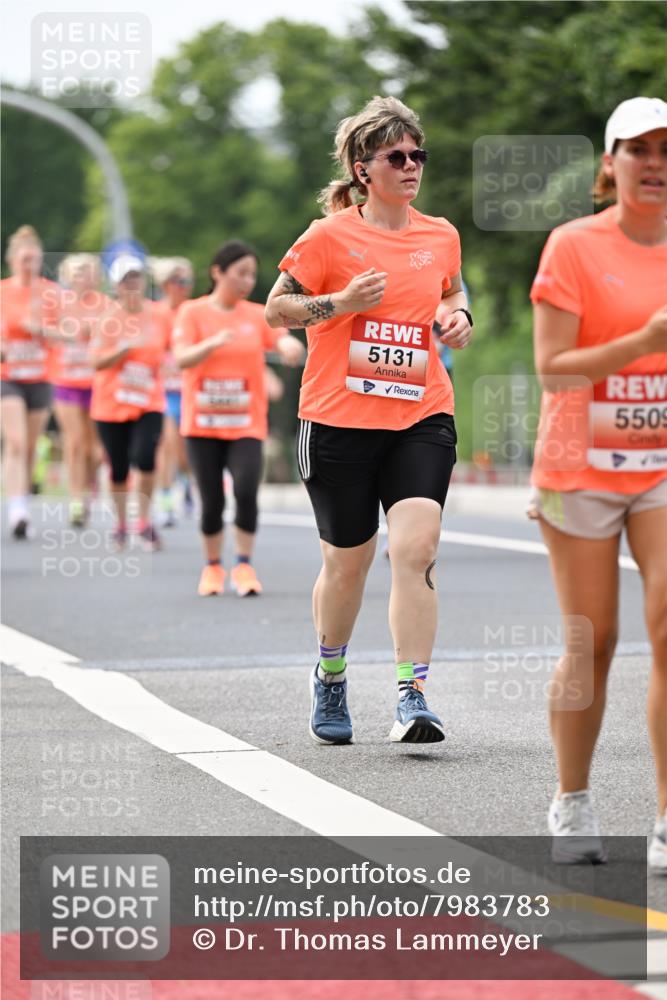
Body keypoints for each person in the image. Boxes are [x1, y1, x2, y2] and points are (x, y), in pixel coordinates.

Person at [265, 95, 472, 745]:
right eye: (397, 157)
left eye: (418, 156)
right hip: (337, 420)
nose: (411, 166)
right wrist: (339, 302)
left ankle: (412, 694)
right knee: (348, 563)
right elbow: (276, 310)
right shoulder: (328, 237)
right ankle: (330, 674)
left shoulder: (439, 234)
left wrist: (457, 317)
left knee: (417, 548)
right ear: (363, 168)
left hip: (420, 412)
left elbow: (452, 288)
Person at [528, 97, 667, 869]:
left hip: (661, 464)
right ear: (607, 166)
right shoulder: (573, 246)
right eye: (636, 149)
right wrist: (641, 342)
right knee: (593, 640)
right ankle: (571, 798)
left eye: (665, 150)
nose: (653, 164)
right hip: (577, 463)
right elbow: (551, 368)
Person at [173, 240, 303, 597]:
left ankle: (244, 565)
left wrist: (288, 346)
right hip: (203, 425)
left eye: (251, 275)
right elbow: (181, 358)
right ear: (217, 272)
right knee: (212, 499)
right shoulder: (192, 313)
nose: (247, 281)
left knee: (246, 491)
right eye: (240, 273)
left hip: (246, 423)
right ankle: (213, 568)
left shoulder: (255, 314)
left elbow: (279, 338)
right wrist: (212, 343)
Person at [90, 254, 171, 551]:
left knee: (146, 456)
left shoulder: (159, 315)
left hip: (148, 401)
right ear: (117, 286)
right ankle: (121, 523)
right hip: (111, 404)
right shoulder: (107, 318)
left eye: (137, 278)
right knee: (119, 467)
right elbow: (95, 361)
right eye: (127, 280)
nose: (133, 285)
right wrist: (123, 348)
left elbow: (176, 346)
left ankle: (144, 522)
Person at [0, 225, 59, 538]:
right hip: (7, 376)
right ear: (12, 260)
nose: (29, 264)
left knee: (31, 446)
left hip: (40, 375)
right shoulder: (2, 292)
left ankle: (23, 501)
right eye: (24, 259)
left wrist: (41, 330)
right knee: (16, 441)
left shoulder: (50, 293)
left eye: (34, 259)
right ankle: (17, 510)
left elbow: (69, 334)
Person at [52, 253, 110, 526]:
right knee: (74, 442)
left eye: (88, 272)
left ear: (96, 277)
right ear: (67, 276)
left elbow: (115, 334)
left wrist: (95, 330)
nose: (83, 278)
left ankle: (90, 482)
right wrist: (69, 332)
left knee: (95, 449)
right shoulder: (57, 304)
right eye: (77, 273)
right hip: (65, 381)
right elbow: (42, 331)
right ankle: (76, 499)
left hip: (96, 382)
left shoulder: (106, 305)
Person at [151, 257, 195, 526]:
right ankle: (166, 500)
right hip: (162, 390)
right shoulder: (154, 313)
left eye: (189, 281)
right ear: (166, 284)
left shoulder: (194, 311)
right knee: (167, 444)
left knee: (184, 450)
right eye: (180, 281)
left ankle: (188, 480)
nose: (186, 287)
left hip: (190, 389)